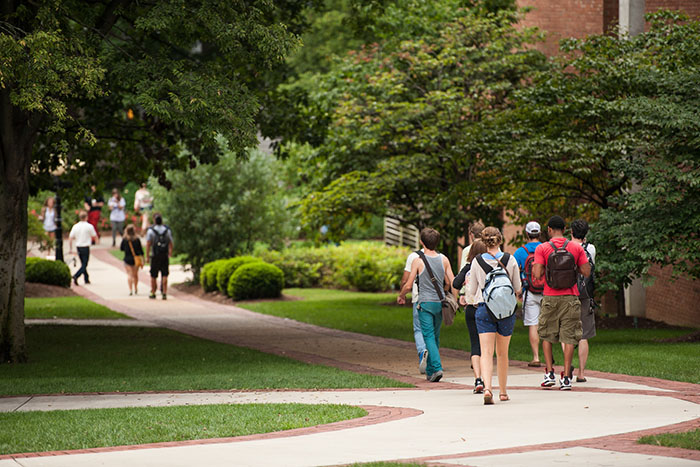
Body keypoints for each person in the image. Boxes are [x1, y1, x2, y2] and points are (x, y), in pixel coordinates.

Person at [532, 215, 591, 391]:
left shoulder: (542, 248)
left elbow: (537, 274)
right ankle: (566, 378)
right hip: (571, 297)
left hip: (550, 297)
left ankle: (549, 373)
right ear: (565, 230)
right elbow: (586, 271)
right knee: (569, 337)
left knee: (546, 335)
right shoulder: (575, 247)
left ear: (549, 230)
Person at [466, 227, 521, 404]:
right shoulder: (510, 259)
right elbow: (517, 287)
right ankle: (503, 392)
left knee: (486, 352)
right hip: (506, 311)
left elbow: (472, 290)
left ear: (483, 241)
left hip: (484, 308)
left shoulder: (477, 261)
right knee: (503, 353)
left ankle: (487, 389)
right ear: (500, 240)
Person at [397, 228, 457, 383]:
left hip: (424, 304)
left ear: (421, 242)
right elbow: (452, 281)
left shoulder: (418, 261)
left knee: (428, 336)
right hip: (439, 303)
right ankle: (430, 372)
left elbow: (408, 285)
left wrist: (401, 295)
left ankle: (437, 367)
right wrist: (455, 299)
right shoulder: (444, 259)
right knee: (435, 337)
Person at [453, 239, 487, 394]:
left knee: (475, 345)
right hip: (486, 308)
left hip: (471, 309)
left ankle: (478, 379)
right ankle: (486, 379)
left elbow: (455, 283)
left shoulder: (468, 267)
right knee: (486, 346)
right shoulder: (490, 265)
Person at [513, 221, 543, 367]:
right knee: (548, 324)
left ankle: (536, 357)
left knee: (533, 324)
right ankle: (549, 356)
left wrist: (518, 290)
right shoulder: (546, 248)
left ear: (527, 234)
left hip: (529, 291)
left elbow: (513, 271)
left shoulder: (520, 252)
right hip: (547, 291)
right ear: (540, 233)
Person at [570, 219, 596, 383]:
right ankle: (581, 373)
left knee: (567, 333)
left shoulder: (566, 247)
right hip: (585, 295)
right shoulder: (590, 249)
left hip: (568, 294)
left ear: (571, 232)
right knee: (584, 335)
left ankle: (567, 367)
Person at [400, 250, 428, 374]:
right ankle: (434, 361)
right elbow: (449, 281)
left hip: (419, 299)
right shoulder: (441, 258)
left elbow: (406, 282)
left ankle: (422, 351)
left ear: (422, 241)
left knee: (418, 329)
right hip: (436, 300)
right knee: (432, 331)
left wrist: (401, 295)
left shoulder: (414, 257)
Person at [146, 213, 173, 300]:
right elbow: (171, 242)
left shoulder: (151, 231)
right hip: (164, 255)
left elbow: (148, 244)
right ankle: (164, 292)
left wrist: (147, 256)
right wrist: (170, 252)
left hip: (155, 255)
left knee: (153, 275)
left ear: (154, 221)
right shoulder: (167, 230)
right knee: (164, 274)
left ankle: (153, 292)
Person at [68, 211, 97, 285]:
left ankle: (86, 278)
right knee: (85, 264)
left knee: (83, 263)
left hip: (78, 246)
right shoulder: (89, 226)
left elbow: (70, 238)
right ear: (86, 217)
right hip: (85, 247)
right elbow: (94, 235)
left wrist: (70, 248)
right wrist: (96, 242)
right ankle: (76, 275)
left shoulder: (75, 226)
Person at [120, 224, 144, 296]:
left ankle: (130, 290)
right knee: (135, 275)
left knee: (129, 275)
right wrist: (143, 259)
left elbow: (121, 248)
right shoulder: (137, 239)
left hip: (127, 259)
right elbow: (141, 250)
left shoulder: (125, 239)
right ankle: (136, 288)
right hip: (135, 259)